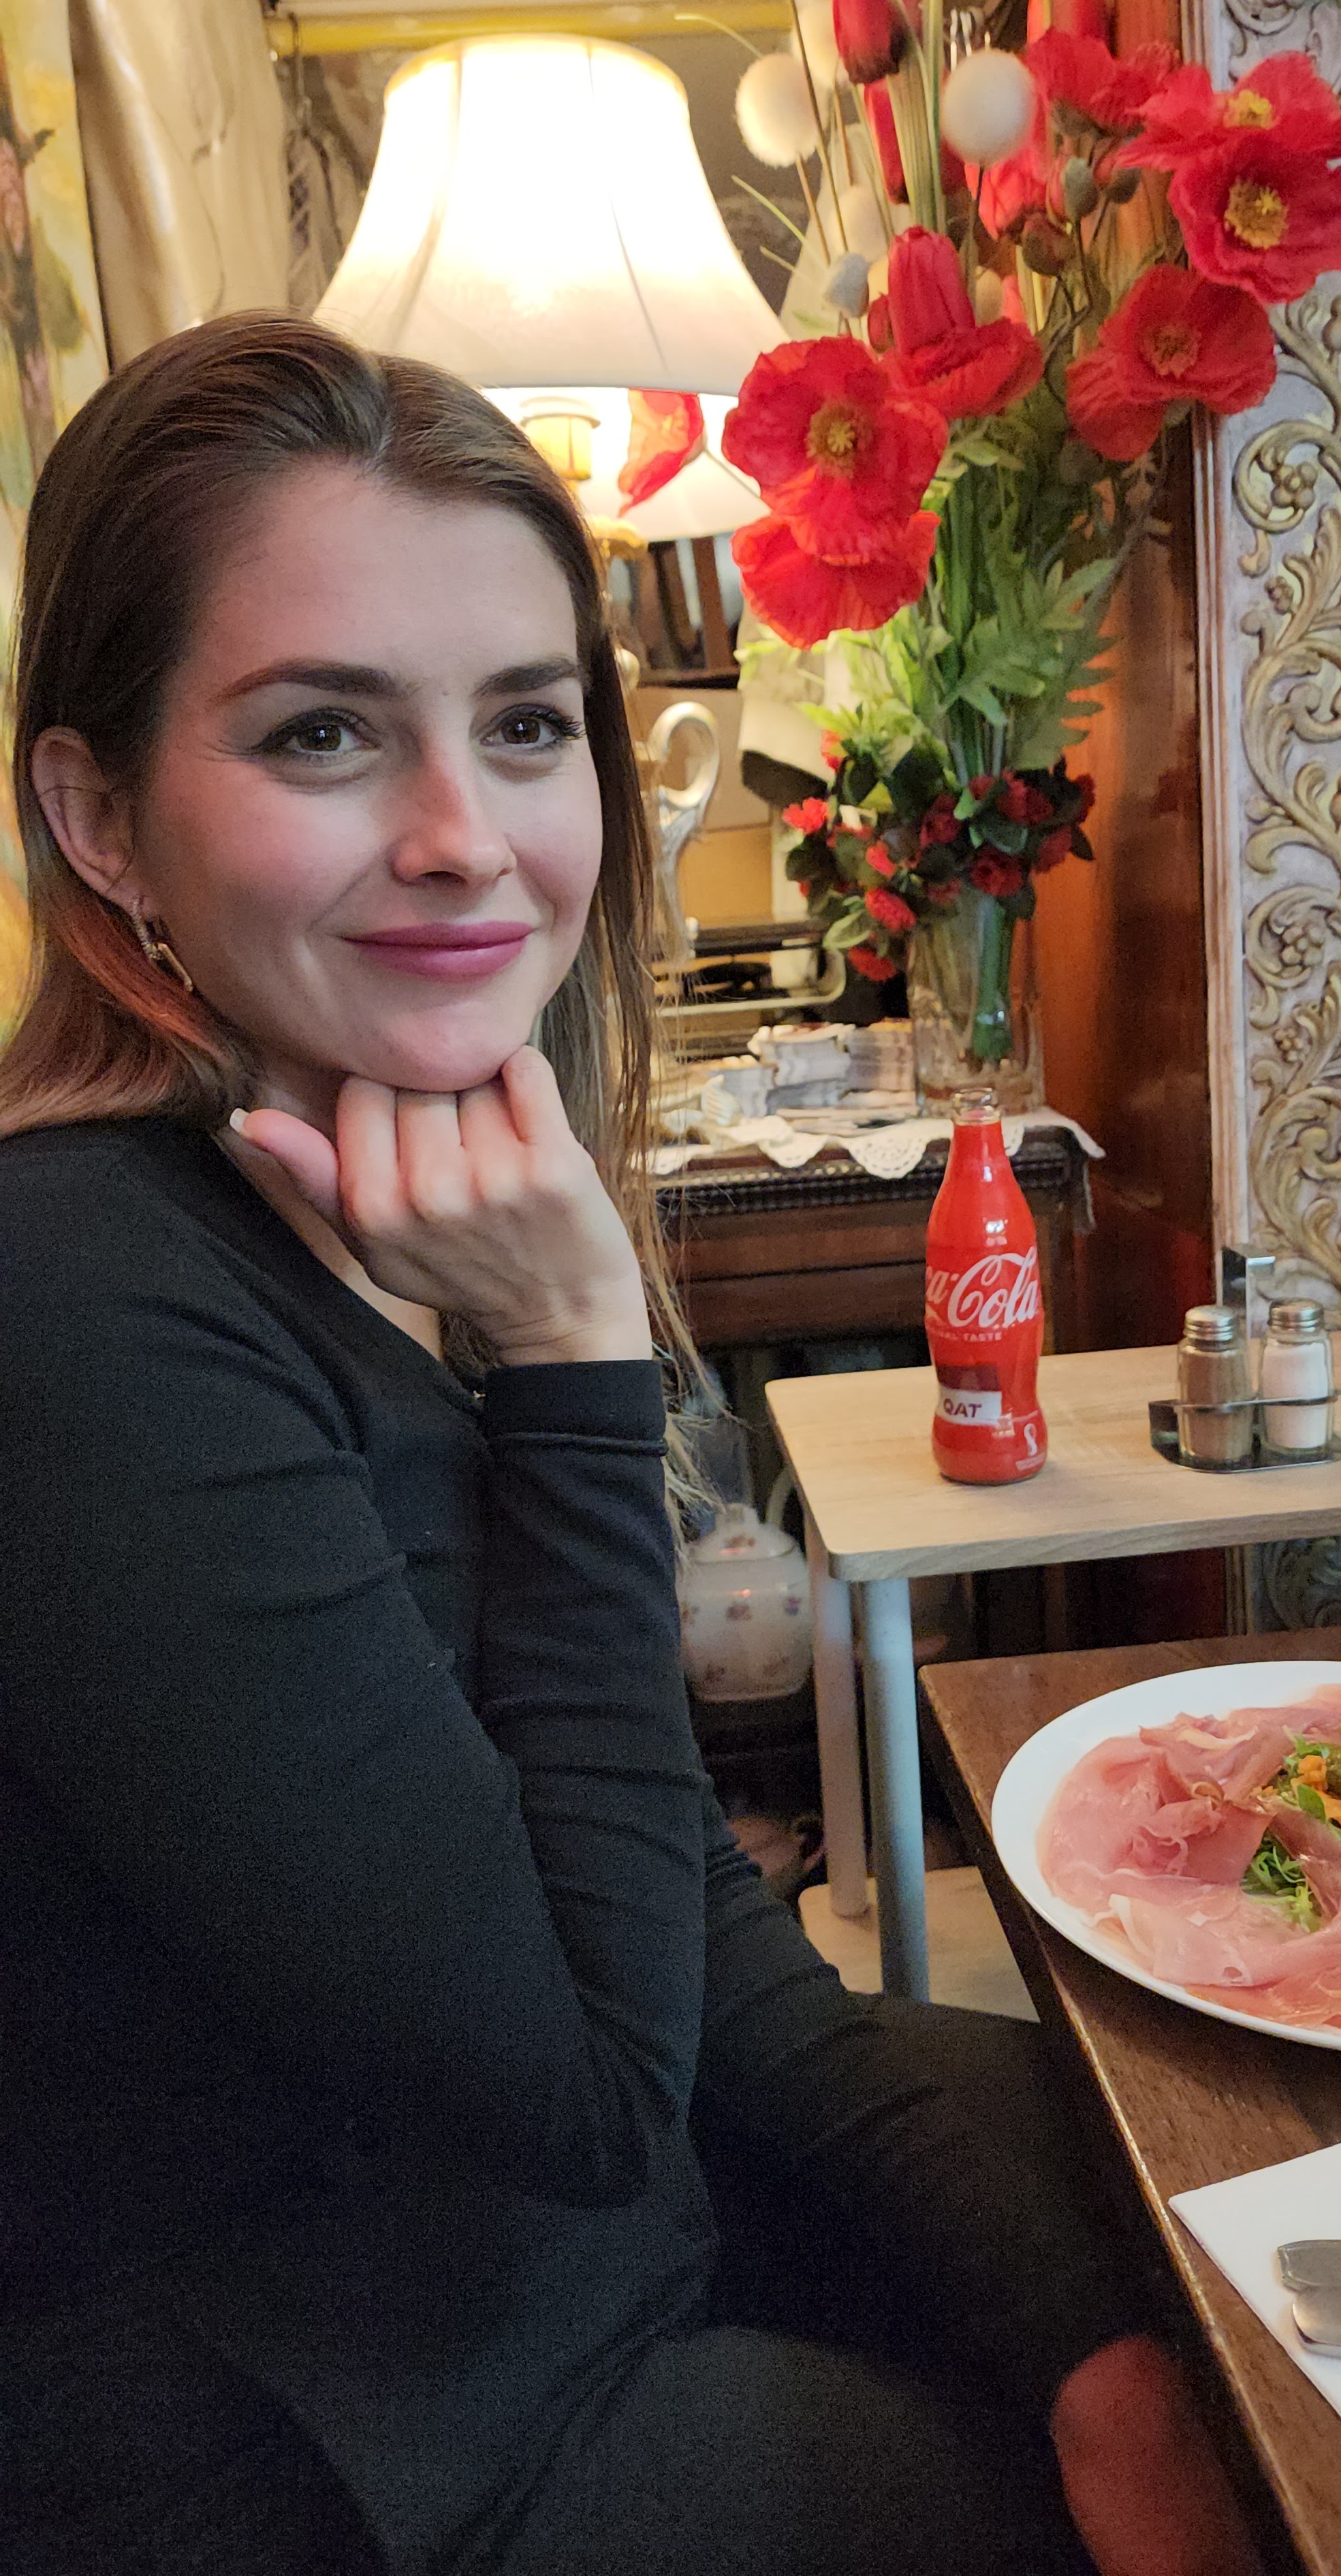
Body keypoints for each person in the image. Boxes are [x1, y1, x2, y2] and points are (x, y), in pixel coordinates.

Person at [0, 317, 1261, 2576]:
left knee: (1214, 2227)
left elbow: (660, 1883)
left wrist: (1086, 2341)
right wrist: (576, 1365)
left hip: (557, 2272)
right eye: (318, 733)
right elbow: (581, 2093)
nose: (462, 840)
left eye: (524, 724)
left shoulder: (353, 1198)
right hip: (357, 2434)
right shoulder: (75, 1300)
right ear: (101, 820)